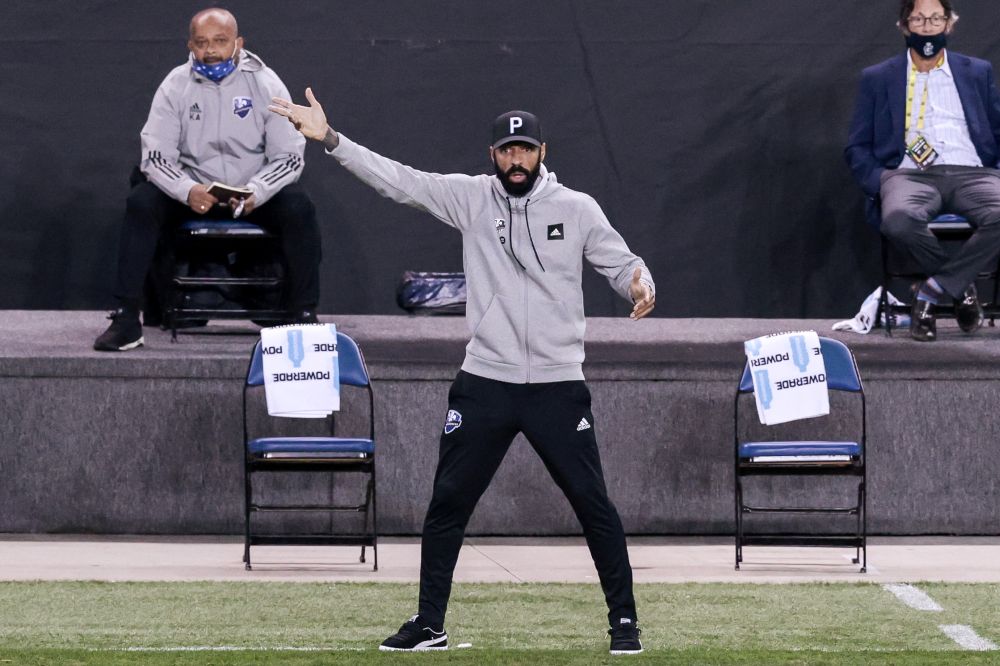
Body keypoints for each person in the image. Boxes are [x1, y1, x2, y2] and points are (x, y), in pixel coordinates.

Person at [270, 90, 654, 655]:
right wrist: (330, 139)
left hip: (555, 385)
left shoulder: (576, 208)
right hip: (486, 381)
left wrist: (641, 284)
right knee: (447, 503)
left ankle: (624, 623)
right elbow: (397, 180)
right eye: (506, 151)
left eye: (525, 149)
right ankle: (430, 624)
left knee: (593, 505)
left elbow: (622, 263)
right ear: (492, 155)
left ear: (543, 151)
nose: (516, 160)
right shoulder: (471, 199)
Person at [93, 8, 322, 352]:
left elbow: (289, 156)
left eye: (219, 41)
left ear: (238, 43)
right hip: (192, 192)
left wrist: (256, 191)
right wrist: (186, 190)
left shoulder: (266, 83)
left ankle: (303, 315)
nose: (210, 50)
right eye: (202, 43)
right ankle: (127, 319)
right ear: (190, 44)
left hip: (249, 196)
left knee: (299, 208)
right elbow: (154, 157)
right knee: (141, 201)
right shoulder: (175, 85)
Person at [845, 0, 1000, 342]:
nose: (927, 26)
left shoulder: (977, 71)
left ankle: (930, 293)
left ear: (949, 24)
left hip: (972, 172)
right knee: (898, 219)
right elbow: (857, 145)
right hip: (909, 175)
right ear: (904, 25)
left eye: (935, 18)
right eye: (919, 18)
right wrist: (881, 182)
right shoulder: (878, 77)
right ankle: (962, 291)